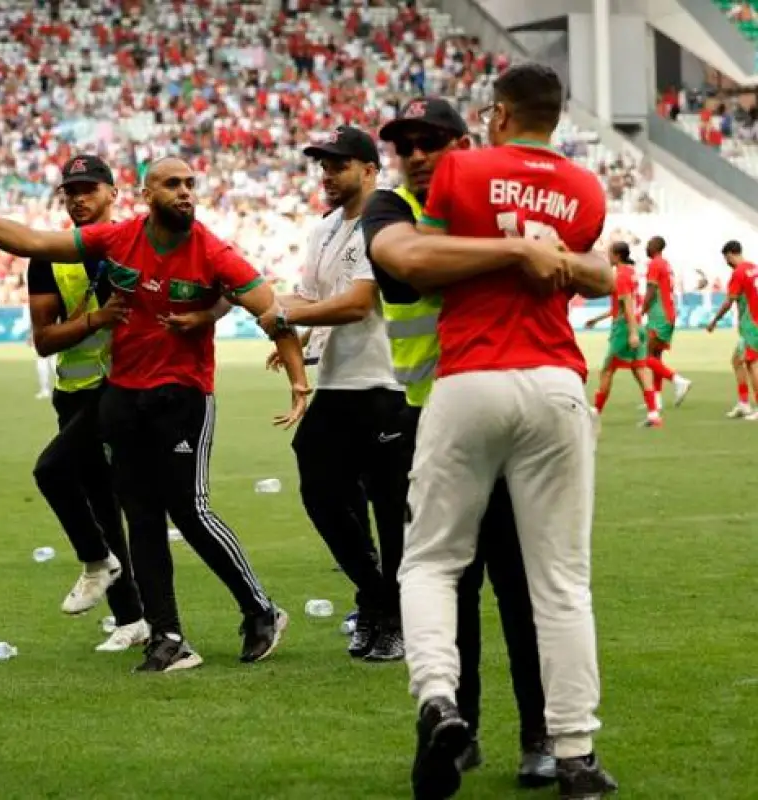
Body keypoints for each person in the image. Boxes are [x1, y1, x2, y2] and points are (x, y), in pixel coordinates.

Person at [0, 156, 311, 673]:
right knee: (141, 518)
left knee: (192, 511)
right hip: (123, 396)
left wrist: (297, 380)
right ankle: (167, 637)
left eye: (190, 183)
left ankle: (261, 611)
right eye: (172, 184)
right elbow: (33, 242)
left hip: (183, 396)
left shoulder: (213, 250)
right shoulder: (118, 239)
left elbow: (269, 310)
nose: (185, 192)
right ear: (145, 194)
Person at [395, 65, 618, 798]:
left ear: (495, 114)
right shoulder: (586, 190)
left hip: (471, 375)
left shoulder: (460, 169)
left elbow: (422, 268)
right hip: (557, 378)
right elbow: (593, 273)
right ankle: (576, 753)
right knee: (562, 581)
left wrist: (490, 249)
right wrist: (531, 251)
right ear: (556, 117)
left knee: (432, 560)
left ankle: (440, 704)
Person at [364, 96, 558, 792]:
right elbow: (412, 268)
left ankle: (540, 733)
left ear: (465, 143)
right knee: (451, 586)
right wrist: (511, 253)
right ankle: (456, 728)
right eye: (404, 144)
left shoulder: (491, 208)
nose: (416, 155)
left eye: (432, 141)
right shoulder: (389, 211)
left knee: (517, 585)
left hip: (504, 418)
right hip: (426, 424)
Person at [257, 127, 407, 662]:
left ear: (369, 170)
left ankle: (393, 618)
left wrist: (287, 313)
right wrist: (293, 329)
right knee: (320, 488)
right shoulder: (323, 230)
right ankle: (376, 594)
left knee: (391, 509)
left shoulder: (383, 225)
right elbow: (314, 297)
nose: (327, 174)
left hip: (386, 384)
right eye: (323, 164)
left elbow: (357, 304)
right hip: (339, 382)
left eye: (338, 165)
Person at [26, 154, 149, 652]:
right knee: (103, 504)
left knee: (52, 471)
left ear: (112, 193)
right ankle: (133, 618)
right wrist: (97, 322)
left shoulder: (136, 246)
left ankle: (98, 565)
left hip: (121, 391)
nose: (79, 198)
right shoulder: (48, 256)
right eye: (70, 191)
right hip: (73, 394)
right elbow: (44, 340)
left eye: (89, 189)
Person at [584, 242, 662, 429]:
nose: (607, 257)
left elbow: (626, 304)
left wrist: (632, 333)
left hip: (625, 328)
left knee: (607, 370)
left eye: (609, 253)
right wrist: (597, 319)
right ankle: (653, 414)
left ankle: (595, 413)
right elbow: (620, 306)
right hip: (636, 324)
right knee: (640, 370)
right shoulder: (631, 273)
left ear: (617, 255)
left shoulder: (620, 276)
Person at [706, 240, 758, 420]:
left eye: (726, 258)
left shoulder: (739, 273)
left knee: (752, 364)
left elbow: (729, 301)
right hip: (753, 321)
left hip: (752, 324)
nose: (726, 262)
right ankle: (743, 403)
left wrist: (714, 320)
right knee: (737, 361)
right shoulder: (754, 267)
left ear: (730, 254)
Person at [641, 237, 692, 408]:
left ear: (656, 247)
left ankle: (678, 380)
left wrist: (641, 310)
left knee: (645, 355)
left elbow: (651, 289)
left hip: (660, 315)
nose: (646, 247)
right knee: (656, 357)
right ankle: (657, 400)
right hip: (667, 313)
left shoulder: (655, 264)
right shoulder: (666, 264)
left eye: (649, 244)